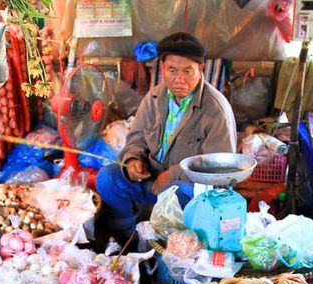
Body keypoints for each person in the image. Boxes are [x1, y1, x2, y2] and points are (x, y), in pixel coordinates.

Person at [95, 32, 237, 234]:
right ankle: (127, 235)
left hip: (187, 190)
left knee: (179, 194)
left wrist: (173, 175)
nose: (179, 79)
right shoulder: (154, 97)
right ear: (161, 68)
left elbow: (218, 166)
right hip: (150, 180)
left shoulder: (216, 110)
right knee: (108, 178)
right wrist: (134, 160)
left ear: (200, 69)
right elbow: (136, 140)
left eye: (188, 71)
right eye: (172, 70)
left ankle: (168, 244)